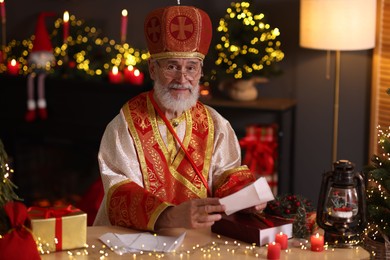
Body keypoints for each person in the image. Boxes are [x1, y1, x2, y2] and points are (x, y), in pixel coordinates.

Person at [93, 5, 266, 231]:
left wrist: (247, 196)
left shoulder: (216, 124)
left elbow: (226, 176)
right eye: (172, 66)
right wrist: (169, 216)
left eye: (191, 67)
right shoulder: (125, 125)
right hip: (138, 242)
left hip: (202, 241)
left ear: (200, 72)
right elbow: (119, 191)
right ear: (153, 70)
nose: (182, 78)